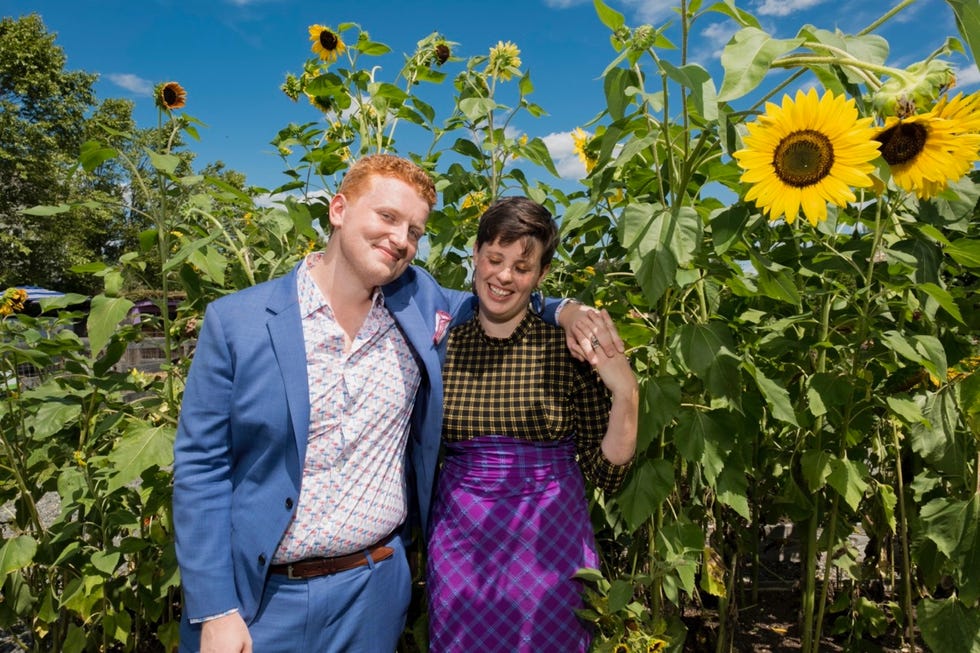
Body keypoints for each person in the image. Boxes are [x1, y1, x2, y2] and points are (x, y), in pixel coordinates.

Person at [172, 154, 623, 653]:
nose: (400, 239)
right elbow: (200, 469)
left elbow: (505, 291)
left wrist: (568, 311)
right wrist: (215, 609)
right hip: (261, 599)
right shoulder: (237, 321)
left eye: (414, 230)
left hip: (374, 593)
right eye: (387, 217)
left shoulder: (417, 304)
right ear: (338, 209)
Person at [426, 196, 639, 653]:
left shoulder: (568, 347)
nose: (503, 276)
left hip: (550, 545)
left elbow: (607, 474)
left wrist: (627, 393)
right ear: (476, 255)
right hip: (461, 545)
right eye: (494, 259)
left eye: (522, 267)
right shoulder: (443, 343)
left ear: (541, 276)